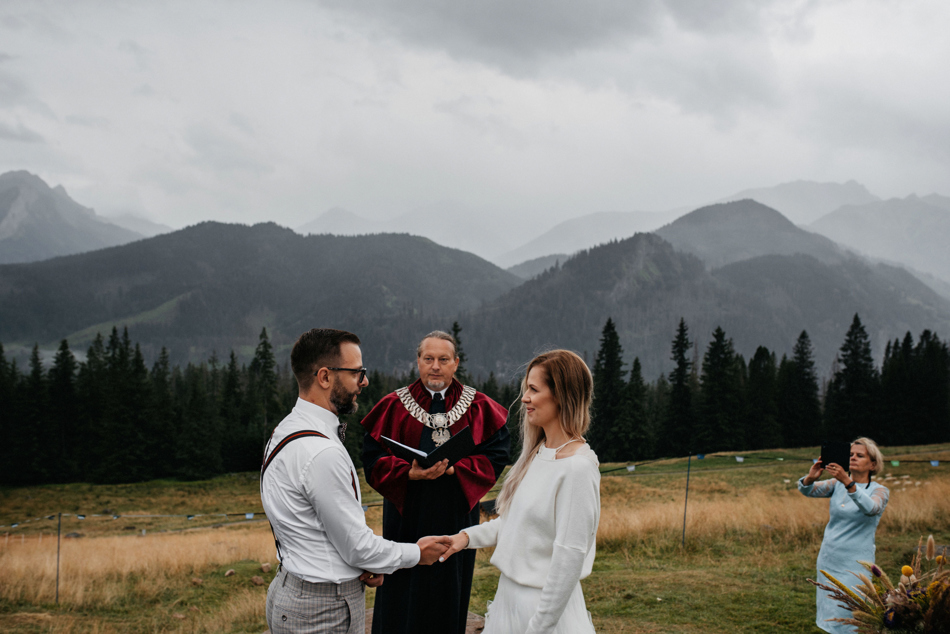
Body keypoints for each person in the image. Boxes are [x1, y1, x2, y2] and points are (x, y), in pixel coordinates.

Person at [261, 328, 451, 634]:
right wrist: (418, 553)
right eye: (356, 373)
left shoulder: (285, 429)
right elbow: (358, 548)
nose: (363, 381)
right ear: (324, 377)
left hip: (290, 586)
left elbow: (312, 527)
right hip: (322, 609)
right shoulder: (321, 452)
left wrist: (360, 566)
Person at [360, 330, 511, 634]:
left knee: (448, 593)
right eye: (428, 359)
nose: (435, 366)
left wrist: (457, 469)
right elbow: (372, 459)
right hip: (406, 519)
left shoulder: (478, 406)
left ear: (456, 363)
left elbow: (496, 456)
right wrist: (409, 473)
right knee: (402, 597)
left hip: (455, 516)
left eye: (443, 359)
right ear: (418, 361)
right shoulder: (393, 405)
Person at [441, 349, 600, 634]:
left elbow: (568, 560)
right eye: (526, 388)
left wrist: (540, 626)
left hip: (544, 614)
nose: (524, 397)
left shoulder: (577, 468)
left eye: (534, 389)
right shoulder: (538, 453)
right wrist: (465, 538)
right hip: (508, 601)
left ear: (562, 396)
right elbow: (517, 524)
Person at [798, 437, 890, 634]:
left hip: (855, 565)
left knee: (853, 617)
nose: (853, 458)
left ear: (872, 464)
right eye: (850, 455)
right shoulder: (836, 484)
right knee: (831, 616)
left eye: (860, 455)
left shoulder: (880, 491)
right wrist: (811, 477)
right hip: (829, 559)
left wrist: (848, 482)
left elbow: (871, 508)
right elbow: (808, 490)